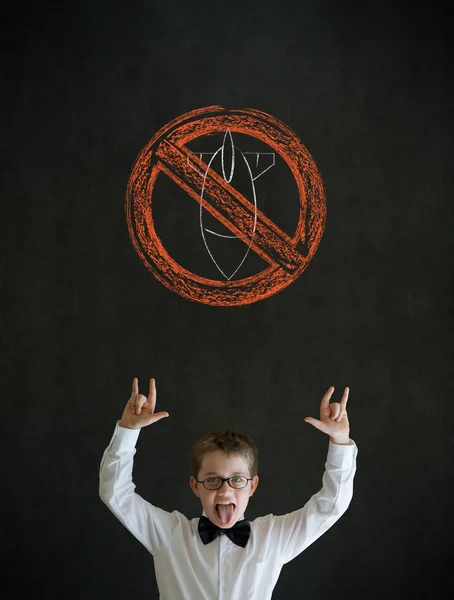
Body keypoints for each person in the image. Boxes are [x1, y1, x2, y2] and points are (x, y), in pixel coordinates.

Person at [99, 377, 357, 600]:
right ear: (195, 486)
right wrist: (128, 430)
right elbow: (115, 494)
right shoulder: (169, 535)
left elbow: (329, 506)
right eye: (213, 480)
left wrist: (340, 440)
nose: (225, 492)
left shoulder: (272, 538)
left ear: (252, 485)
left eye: (236, 480)